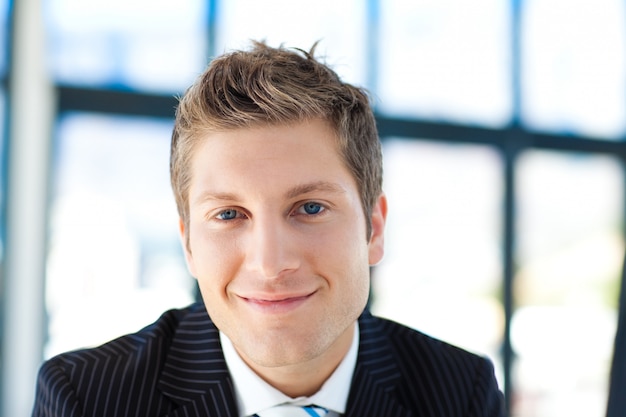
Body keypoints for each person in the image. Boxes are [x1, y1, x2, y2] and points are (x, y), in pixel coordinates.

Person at [32, 41, 504, 417]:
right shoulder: (87, 398)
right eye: (229, 215)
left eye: (311, 208)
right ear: (188, 244)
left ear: (374, 229)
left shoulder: (462, 391)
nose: (270, 262)